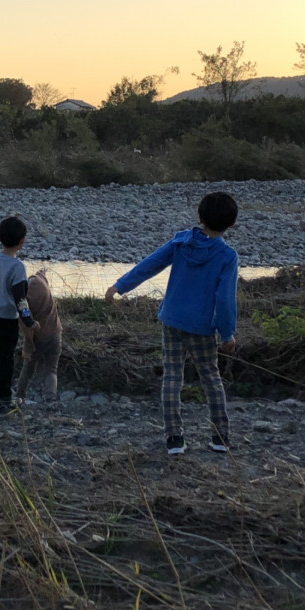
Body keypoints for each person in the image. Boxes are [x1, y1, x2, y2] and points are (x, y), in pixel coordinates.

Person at [105, 192, 238, 456]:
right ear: (232, 224)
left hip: (172, 321)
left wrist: (120, 286)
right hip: (202, 328)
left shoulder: (181, 241)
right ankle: (220, 438)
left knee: (172, 377)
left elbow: (150, 264)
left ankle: (174, 439)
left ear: (200, 217)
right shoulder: (227, 256)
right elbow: (224, 299)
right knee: (210, 377)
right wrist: (227, 334)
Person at [0, 216, 39, 413]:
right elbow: (20, 298)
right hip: (7, 321)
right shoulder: (17, 267)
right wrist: (29, 321)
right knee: (6, 359)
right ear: (22, 241)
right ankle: (4, 399)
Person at [16, 269, 62, 406]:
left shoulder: (26, 302)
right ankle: (51, 398)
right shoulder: (41, 283)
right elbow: (41, 276)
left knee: (28, 367)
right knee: (52, 369)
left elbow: (28, 328)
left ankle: (19, 395)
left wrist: (28, 348)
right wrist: (41, 272)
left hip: (38, 338)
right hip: (55, 333)